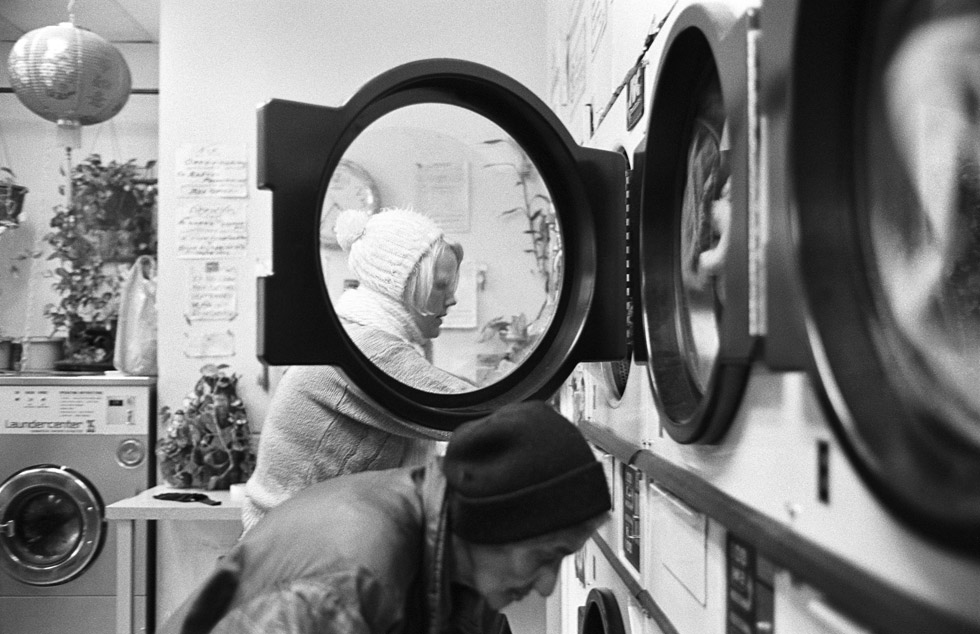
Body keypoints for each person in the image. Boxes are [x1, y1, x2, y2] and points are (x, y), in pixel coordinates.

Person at [159, 401, 612, 634]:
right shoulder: (354, 574)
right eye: (547, 556)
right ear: (498, 524)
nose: (548, 584)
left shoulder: (464, 580)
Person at [242, 207, 475, 532]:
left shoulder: (353, 332)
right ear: (403, 286)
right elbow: (470, 411)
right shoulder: (365, 346)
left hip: (296, 531)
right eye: (440, 286)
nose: (452, 300)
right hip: (294, 545)